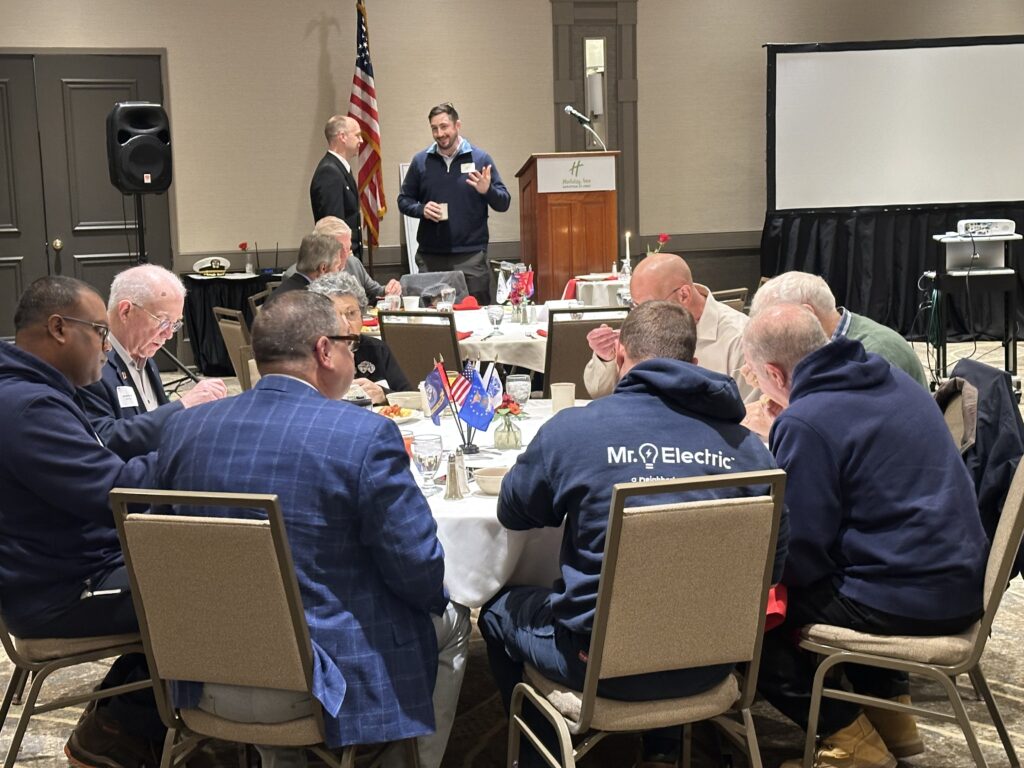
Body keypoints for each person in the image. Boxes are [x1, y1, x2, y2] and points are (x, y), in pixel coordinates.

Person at [155, 291, 469, 768]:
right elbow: (418, 570)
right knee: (454, 619)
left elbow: (167, 551)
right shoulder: (363, 435)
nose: (353, 355)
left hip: (201, 673)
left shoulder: (184, 430)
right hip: (320, 684)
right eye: (349, 344)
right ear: (325, 350)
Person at [478, 300, 787, 768]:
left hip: (599, 668)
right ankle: (663, 749)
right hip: (714, 664)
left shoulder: (574, 431)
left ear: (620, 355)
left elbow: (512, 512)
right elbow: (771, 572)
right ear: (694, 363)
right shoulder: (751, 451)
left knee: (497, 611)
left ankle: (542, 756)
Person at [743, 304, 988, 768]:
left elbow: (799, 557)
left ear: (773, 373)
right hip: (963, 583)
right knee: (850, 562)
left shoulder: (807, 421)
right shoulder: (892, 378)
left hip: (908, 601)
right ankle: (892, 719)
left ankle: (850, 742)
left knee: (745, 616)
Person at [0, 276, 164, 767]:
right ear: (58, 328)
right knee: (227, 590)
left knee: (205, 569)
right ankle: (120, 734)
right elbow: (116, 492)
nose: (107, 346)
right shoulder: (29, 407)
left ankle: (119, 721)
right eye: (99, 331)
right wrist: (197, 450)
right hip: (61, 592)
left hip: (67, 570)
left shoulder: (34, 391)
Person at [742, 271, 930, 438]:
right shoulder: (829, 349)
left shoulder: (872, 353)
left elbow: (852, 434)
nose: (769, 338)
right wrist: (774, 385)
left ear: (808, 314)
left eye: (773, 328)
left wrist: (777, 427)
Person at [77, 264, 227, 459]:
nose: (169, 334)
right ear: (125, 311)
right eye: (163, 321)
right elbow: (105, 440)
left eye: (175, 324)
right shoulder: (89, 365)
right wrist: (183, 405)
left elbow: (154, 420)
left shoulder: (144, 357)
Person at [583, 252, 753, 401]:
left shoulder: (738, 338)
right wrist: (607, 359)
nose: (641, 314)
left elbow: (750, 416)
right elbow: (602, 395)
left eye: (650, 305)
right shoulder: (645, 323)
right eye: (636, 305)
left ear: (683, 295)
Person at [397, 103, 510, 304]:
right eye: (434, 128)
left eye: (444, 126)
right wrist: (421, 209)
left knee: (475, 314)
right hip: (430, 258)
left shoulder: (480, 159)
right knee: (431, 318)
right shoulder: (421, 161)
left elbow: (504, 202)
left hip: (471, 257)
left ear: (457, 125)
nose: (439, 134)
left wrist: (487, 191)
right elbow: (403, 200)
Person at [309, 271, 411, 405]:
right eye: (336, 316)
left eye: (351, 313)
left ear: (362, 316)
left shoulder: (376, 349)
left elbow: (409, 397)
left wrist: (384, 395)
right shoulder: (311, 355)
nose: (346, 324)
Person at [282, 217, 401, 301]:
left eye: (348, 247)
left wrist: (389, 290)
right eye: (340, 249)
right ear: (322, 246)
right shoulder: (299, 275)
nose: (346, 254)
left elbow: (375, 293)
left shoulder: (353, 263)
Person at [310, 115, 365, 259]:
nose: (361, 140)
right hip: (339, 260)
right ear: (342, 137)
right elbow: (333, 227)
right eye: (357, 135)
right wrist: (344, 259)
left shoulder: (340, 169)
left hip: (348, 258)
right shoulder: (329, 172)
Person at [271, 233, 343, 297]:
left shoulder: (287, 289)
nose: (339, 271)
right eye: (337, 267)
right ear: (323, 268)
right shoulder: (308, 300)